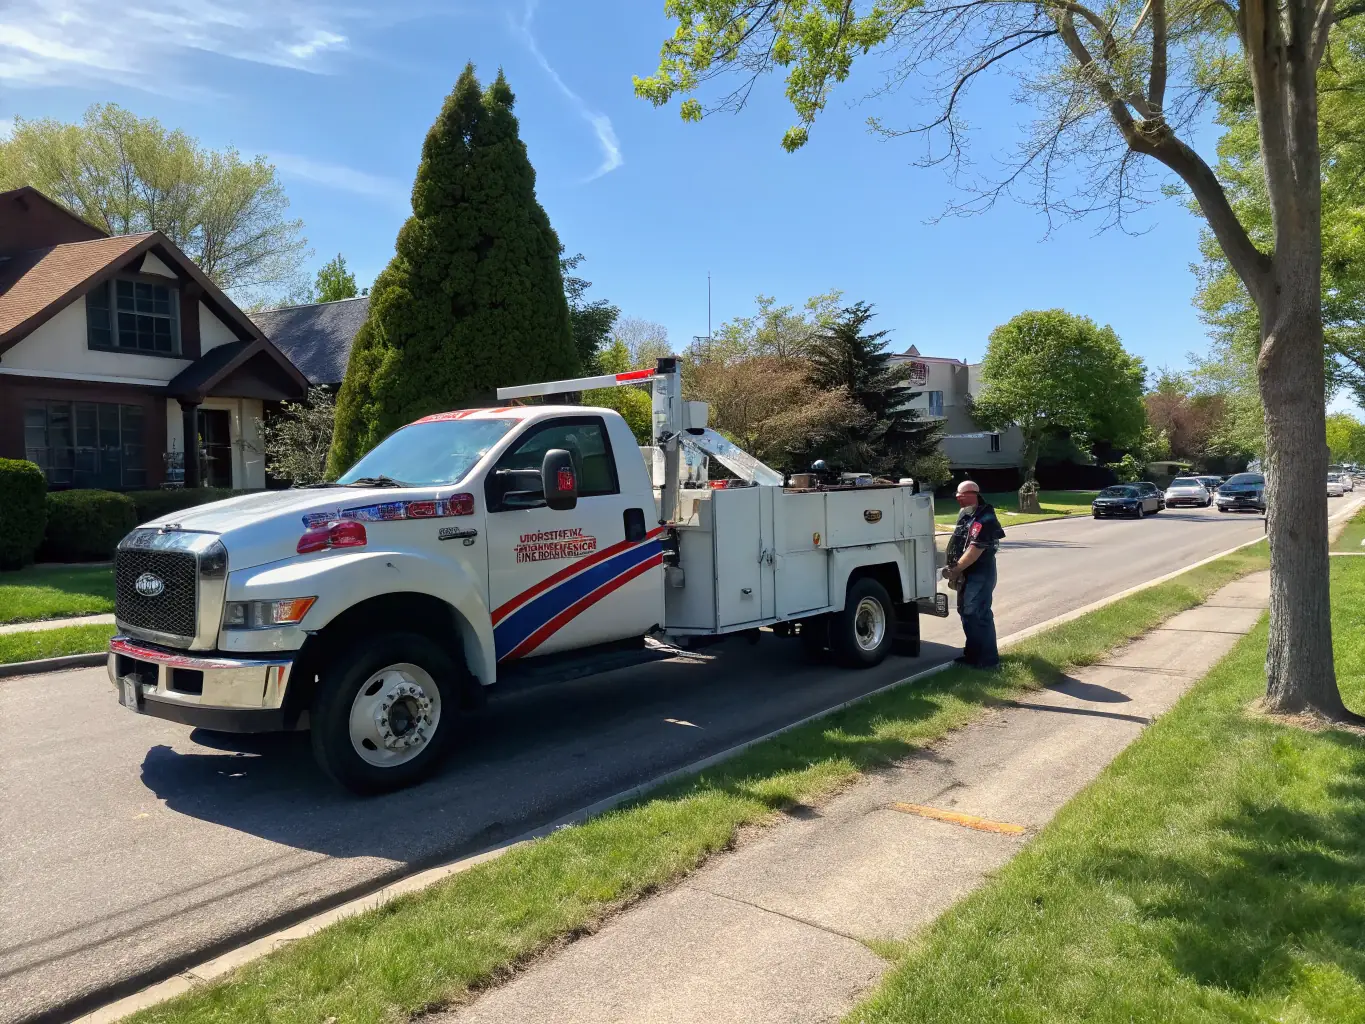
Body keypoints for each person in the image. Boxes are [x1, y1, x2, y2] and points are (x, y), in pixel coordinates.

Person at [943, 480, 1005, 668]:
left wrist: (955, 569)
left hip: (981, 572)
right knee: (966, 612)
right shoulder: (967, 516)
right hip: (967, 572)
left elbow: (975, 550)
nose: (958, 500)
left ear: (973, 494)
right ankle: (972, 655)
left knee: (977, 612)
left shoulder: (985, 519)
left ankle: (987, 661)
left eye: (961, 496)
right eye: (957, 497)